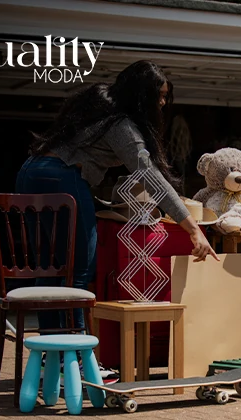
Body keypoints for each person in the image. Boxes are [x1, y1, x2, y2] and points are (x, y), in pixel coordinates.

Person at [16, 60, 218, 333]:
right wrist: (193, 229)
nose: (162, 103)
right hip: (61, 178)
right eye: (158, 96)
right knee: (78, 270)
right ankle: (72, 354)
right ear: (141, 96)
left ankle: (52, 353)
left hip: (31, 171)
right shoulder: (120, 126)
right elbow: (150, 176)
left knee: (51, 267)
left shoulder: (98, 99)